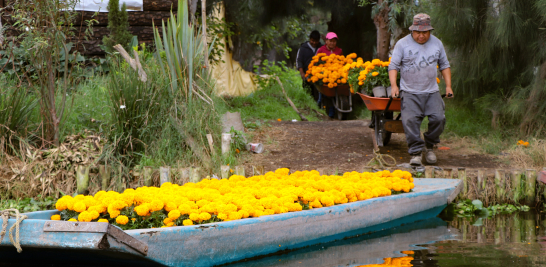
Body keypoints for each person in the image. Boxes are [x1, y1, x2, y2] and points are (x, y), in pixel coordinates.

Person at [388, 13, 454, 166]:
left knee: (439, 118)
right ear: (412, 30)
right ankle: (416, 152)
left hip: (431, 91)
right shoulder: (402, 44)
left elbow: (444, 65)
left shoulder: (437, 43)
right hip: (410, 91)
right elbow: (393, 66)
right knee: (410, 120)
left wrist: (449, 86)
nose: (421, 36)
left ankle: (429, 146)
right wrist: (394, 86)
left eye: (425, 32)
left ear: (429, 31)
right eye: (418, 32)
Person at [316, 32, 343, 117]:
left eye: (334, 41)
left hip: (336, 74)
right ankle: (320, 105)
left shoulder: (339, 51)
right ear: (326, 41)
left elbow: (342, 62)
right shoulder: (321, 50)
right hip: (324, 74)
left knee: (334, 92)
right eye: (330, 41)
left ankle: (333, 111)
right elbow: (316, 62)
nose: (332, 43)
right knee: (324, 91)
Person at [296, 30, 322, 102]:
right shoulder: (303, 48)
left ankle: (318, 109)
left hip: (318, 77)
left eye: (316, 41)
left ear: (319, 40)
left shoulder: (321, 48)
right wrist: (302, 73)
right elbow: (299, 61)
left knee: (317, 95)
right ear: (310, 39)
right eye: (312, 40)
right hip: (307, 76)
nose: (314, 43)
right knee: (307, 94)